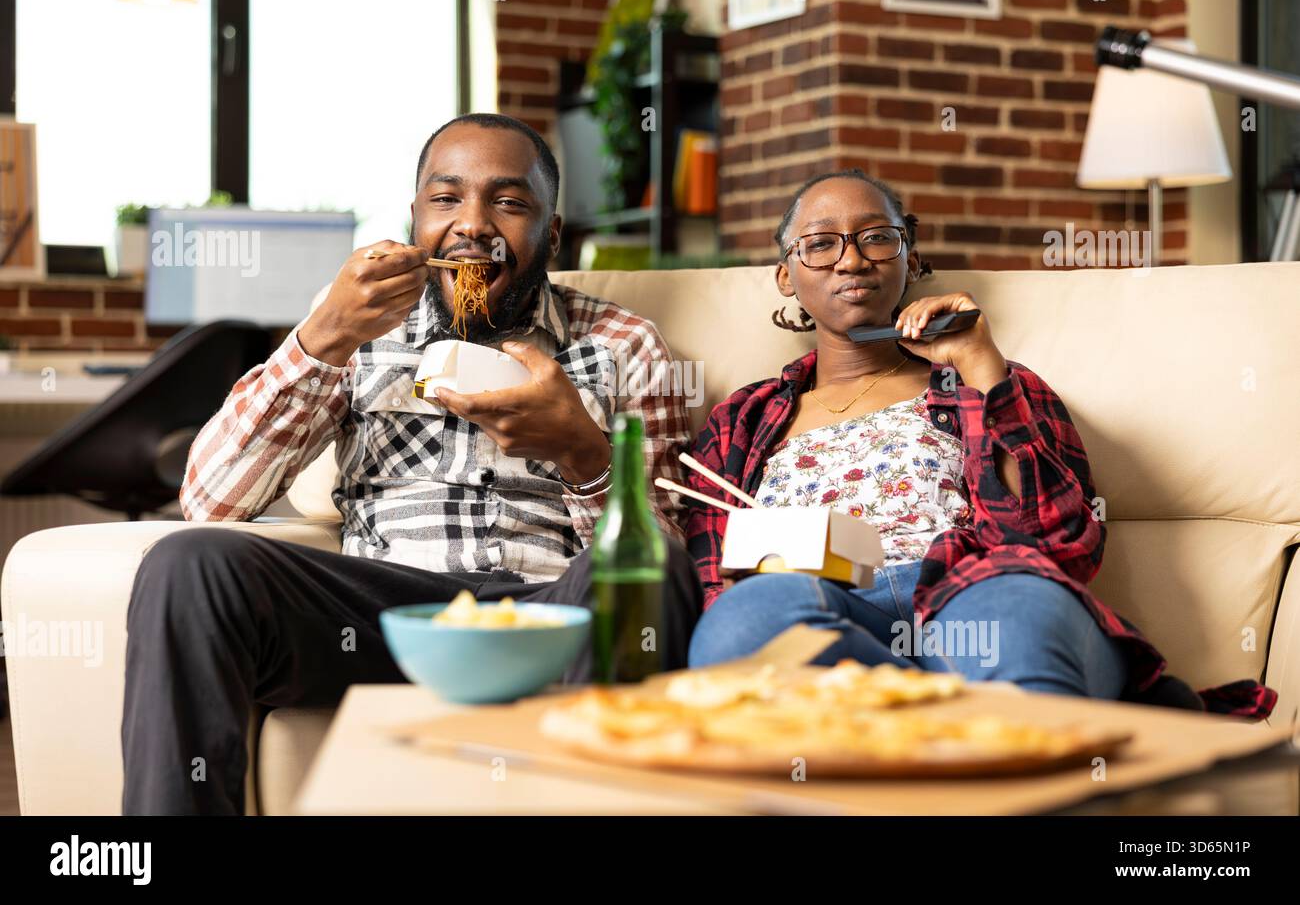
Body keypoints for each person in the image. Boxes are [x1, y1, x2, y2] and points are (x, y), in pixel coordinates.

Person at [122, 113, 702, 814]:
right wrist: (322, 337)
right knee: (190, 561)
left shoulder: (624, 345)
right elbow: (210, 502)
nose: (473, 226)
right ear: (414, 220)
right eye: (446, 199)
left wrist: (581, 452)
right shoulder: (358, 327)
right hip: (382, 618)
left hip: (547, 618)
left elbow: (666, 560)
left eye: (509, 202)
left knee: (651, 574)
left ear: (552, 234)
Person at [683, 169, 1276, 720]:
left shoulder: (984, 381)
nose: (853, 260)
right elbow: (717, 577)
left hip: (971, 592)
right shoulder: (743, 418)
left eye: (876, 238)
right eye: (821, 244)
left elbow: (1058, 542)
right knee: (742, 626)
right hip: (823, 607)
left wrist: (979, 363)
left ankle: (931, 721)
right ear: (786, 274)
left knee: (1019, 618)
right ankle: (941, 715)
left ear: (909, 258)